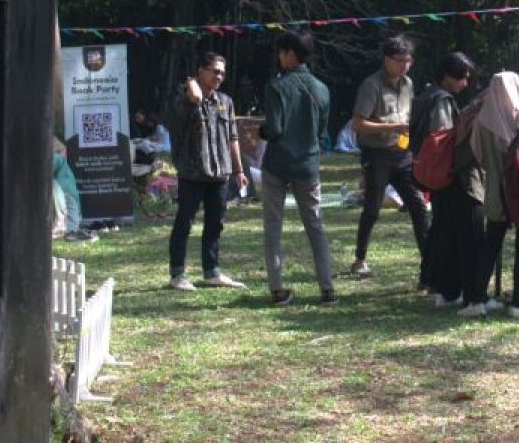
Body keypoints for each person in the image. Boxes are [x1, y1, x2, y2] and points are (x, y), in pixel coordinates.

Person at [259, 29, 336, 307]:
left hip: (277, 165)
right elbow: (322, 132)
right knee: (315, 226)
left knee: (273, 227)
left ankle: (278, 289)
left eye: (281, 52)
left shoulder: (276, 86)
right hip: (308, 165)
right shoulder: (322, 88)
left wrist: (260, 132)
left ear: (290, 53)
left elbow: (274, 128)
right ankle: (327, 287)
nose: (280, 57)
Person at [458, 71, 519, 319]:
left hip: (495, 189)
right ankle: (518, 304)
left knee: (490, 245)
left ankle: (476, 300)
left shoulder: (482, 122)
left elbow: (478, 154)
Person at [165, 51, 248, 291]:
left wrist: (238, 170)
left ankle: (211, 271)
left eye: (222, 72)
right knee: (184, 223)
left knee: (215, 223)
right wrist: (193, 93)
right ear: (201, 71)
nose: (219, 76)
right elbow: (178, 120)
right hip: (192, 172)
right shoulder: (184, 97)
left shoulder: (226, 102)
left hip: (220, 172)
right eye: (215, 70)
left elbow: (233, 138)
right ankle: (177, 274)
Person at [350, 35, 430, 282]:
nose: (405, 65)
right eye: (400, 61)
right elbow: (358, 124)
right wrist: (392, 126)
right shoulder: (371, 85)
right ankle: (360, 259)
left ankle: (429, 263)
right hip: (377, 154)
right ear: (387, 60)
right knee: (372, 208)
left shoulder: (408, 83)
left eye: (409, 60)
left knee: (418, 206)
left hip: (403, 154)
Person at [411, 52, 476, 306]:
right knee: (444, 229)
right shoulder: (441, 100)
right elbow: (442, 139)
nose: (465, 84)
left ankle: (429, 280)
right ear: (448, 75)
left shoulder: (424, 95)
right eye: (462, 78)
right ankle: (436, 282)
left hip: (423, 168)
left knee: (438, 226)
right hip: (441, 171)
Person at [52, 136, 96, 242]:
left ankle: (67, 230)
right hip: (66, 195)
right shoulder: (59, 159)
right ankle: (68, 231)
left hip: (67, 196)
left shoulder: (60, 163)